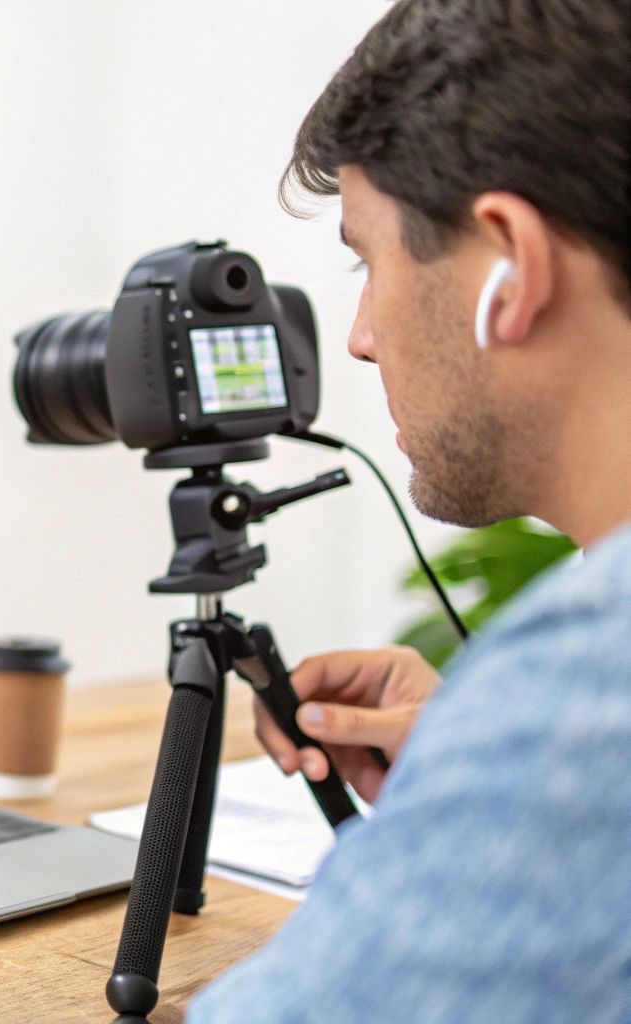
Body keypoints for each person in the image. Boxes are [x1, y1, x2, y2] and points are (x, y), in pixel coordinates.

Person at [187, 1, 631, 1020]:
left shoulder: (585, 693)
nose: (355, 337)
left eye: (364, 261)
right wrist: (472, 766)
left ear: (509, 266)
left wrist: (517, 760)